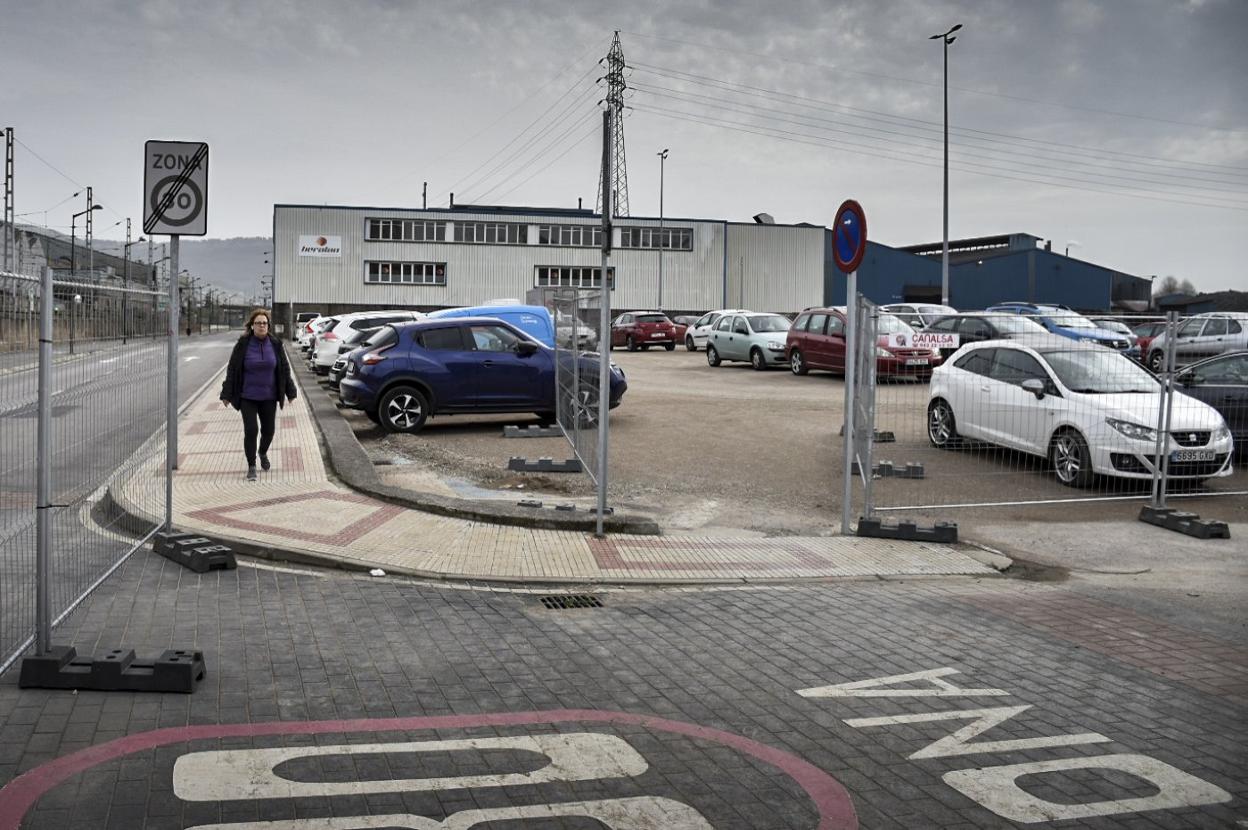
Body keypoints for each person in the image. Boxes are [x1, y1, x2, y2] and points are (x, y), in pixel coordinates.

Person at [219, 308, 297, 480]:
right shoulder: (243, 345)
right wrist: (226, 393)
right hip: (248, 396)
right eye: (258, 323)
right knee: (251, 430)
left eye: (264, 323)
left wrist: (290, 391)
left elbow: (284, 369)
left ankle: (262, 452)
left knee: (269, 431)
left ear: (268, 326)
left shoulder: (276, 344)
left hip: (269, 397)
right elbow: (233, 369)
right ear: (252, 326)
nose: (261, 326)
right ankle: (252, 465)